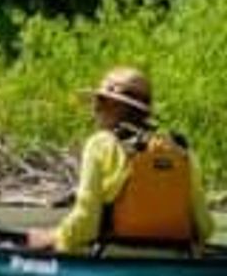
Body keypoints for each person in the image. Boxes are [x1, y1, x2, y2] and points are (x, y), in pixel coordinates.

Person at [25, 66, 215, 254]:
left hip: (114, 258)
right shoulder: (180, 151)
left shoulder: (101, 145)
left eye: (101, 100)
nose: (94, 107)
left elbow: (86, 224)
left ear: (118, 105)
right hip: (179, 263)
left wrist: (54, 238)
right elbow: (205, 228)